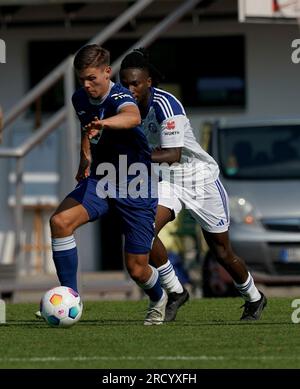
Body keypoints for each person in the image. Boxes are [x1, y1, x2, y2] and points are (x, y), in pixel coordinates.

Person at [119, 48, 267, 321]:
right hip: (167, 181)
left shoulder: (167, 105)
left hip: (200, 180)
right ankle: (176, 291)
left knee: (221, 251)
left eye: (135, 83)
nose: (129, 89)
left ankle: (254, 297)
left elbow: (173, 156)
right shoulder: (123, 109)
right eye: (125, 83)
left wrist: (133, 158)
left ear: (148, 82)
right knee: (143, 229)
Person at [37, 44, 168, 325]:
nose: (86, 85)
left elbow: (132, 117)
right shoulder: (79, 99)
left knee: (136, 269)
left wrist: (104, 124)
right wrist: (84, 158)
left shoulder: (120, 95)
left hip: (136, 186)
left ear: (107, 72)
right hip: (102, 181)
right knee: (60, 223)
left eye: (92, 78)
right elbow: (89, 126)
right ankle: (71, 298)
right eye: (81, 79)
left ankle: (159, 297)